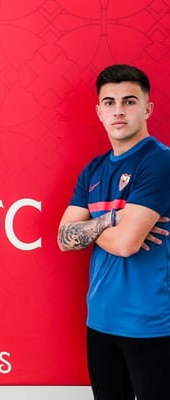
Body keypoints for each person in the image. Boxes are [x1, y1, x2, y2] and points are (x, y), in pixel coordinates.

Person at [58, 64, 170, 400]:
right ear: (99, 112)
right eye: (109, 102)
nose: (118, 110)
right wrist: (113, 218)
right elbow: (64, 238)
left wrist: (93, 223)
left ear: (147, 108)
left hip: (151, 325)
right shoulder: (93, 170)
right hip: (100, 322)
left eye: (129, 101)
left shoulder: (159, 162)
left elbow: (125, 244)